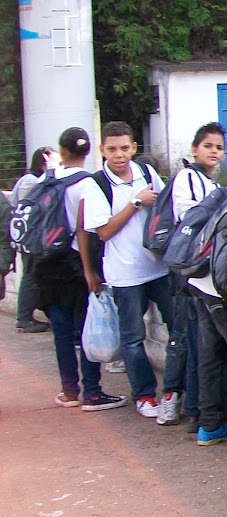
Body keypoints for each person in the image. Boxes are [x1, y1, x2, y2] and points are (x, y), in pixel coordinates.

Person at [79, 122, 181, 417]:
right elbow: (103, 231)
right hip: (124, 274)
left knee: (178, 330)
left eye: (124, 148)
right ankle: (144, 395)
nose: (119, 155)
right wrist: (135, 202)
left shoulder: (147, 174)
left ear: (134, 147)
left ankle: (175, 389)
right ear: (102, 150)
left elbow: (166, 209)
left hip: (159, 268)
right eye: (112, 149)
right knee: (133, 338)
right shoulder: (96, 184)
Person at [37, 127, 124, 411]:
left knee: (61, 330)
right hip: (76, 262)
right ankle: (93, 392)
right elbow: (86, 228)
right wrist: (90, 270)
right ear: (89, 151)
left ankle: (69, 390)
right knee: (87, 327)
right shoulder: (87, 183)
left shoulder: (46, 179)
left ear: (62, 151)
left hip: (47, 263)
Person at [165, 123, 227, 426]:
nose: (214, 152)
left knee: (202, 341)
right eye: (208, 146)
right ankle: (192, 407)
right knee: (192, 338)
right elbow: (186, 215)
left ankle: (196, 408)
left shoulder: (212, 183)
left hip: (204, 270)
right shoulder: (187, 178)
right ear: (194, 149)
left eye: (219, 147)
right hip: (189, 269)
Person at [14, 146, 55, 333]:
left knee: (37, 276)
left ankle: (37, 314)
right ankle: (24, 318)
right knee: (31, 275)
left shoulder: (31, 179)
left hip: (34, 235)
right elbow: (30, 207)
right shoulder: (30, 181)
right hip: (31, 236)